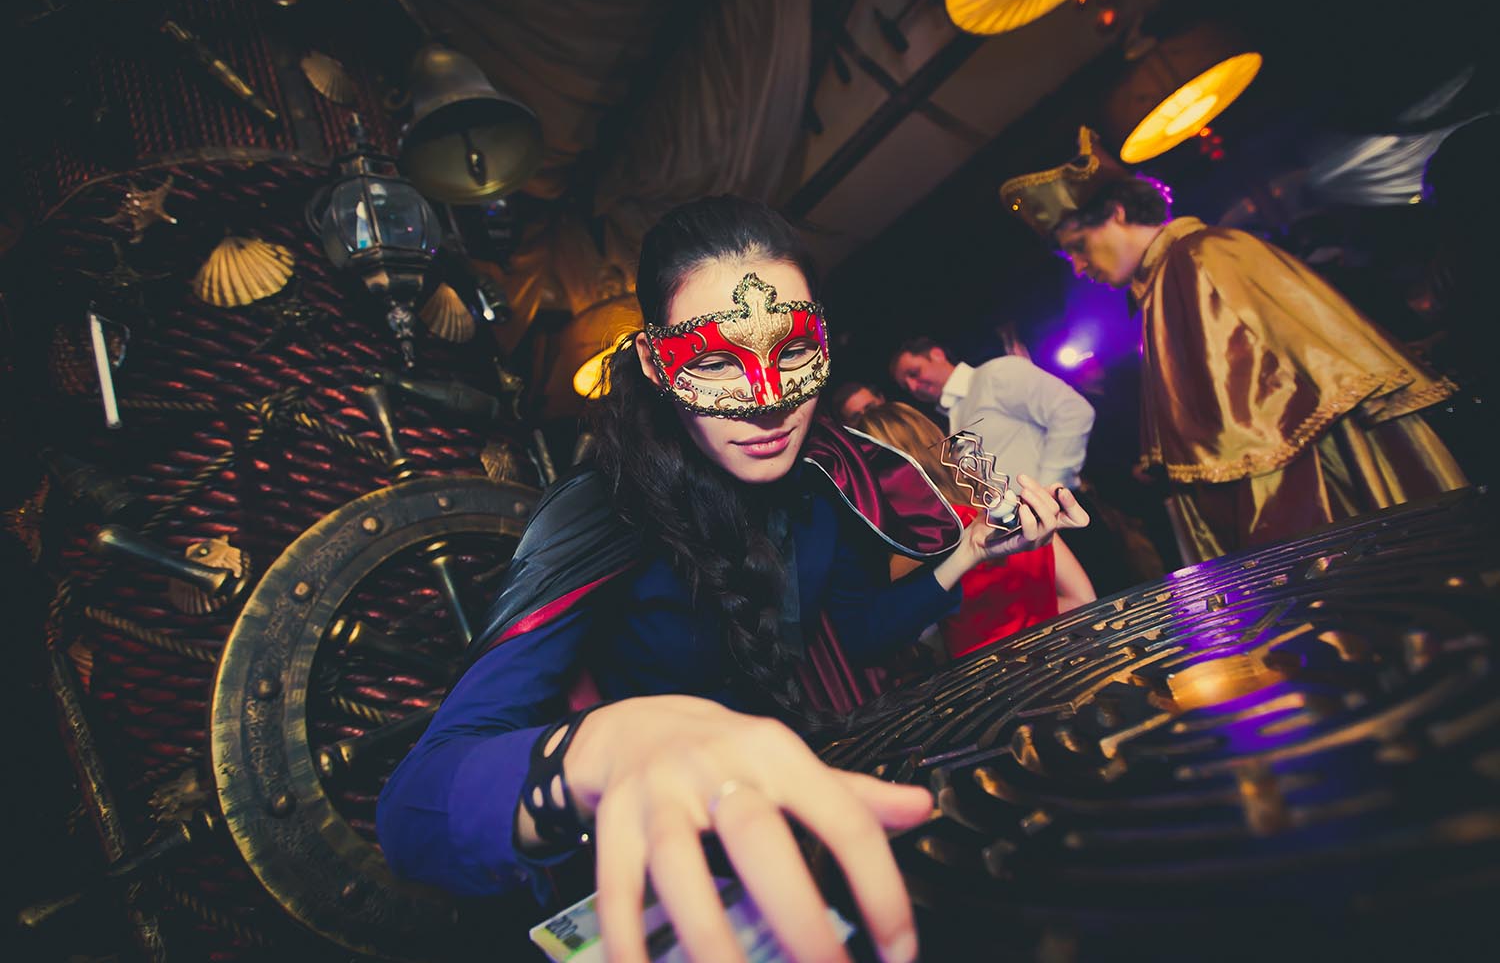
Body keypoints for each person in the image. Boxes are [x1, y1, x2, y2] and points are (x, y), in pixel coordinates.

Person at [377, 196, 1089, 963]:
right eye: (716, 362)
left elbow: (863, 634)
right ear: (656, 362)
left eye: (794, 351)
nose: (768, 401)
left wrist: (974, 548)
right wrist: (608, 748)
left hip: (804, 820)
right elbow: (413, 809)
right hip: (674, 864)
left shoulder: (830, 473)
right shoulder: (605, 507)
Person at [1000, 127, 1467, 563]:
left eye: (1078, 245)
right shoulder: (1167, 280)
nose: (1078, 266)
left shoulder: (1201, 259)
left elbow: (1262, 433)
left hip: (1325, 518)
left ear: (1116, 213)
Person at [853, 401, 1096, 658]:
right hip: (1059, 653)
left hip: (987, 672)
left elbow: (887, 625)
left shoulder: (924, 541)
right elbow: (1082, 599)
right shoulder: (1016, 512)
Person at [888, 337, 1096, 491]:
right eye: (906, 387)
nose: (913, 387)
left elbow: (1073, 411)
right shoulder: (953, 419)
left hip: (1061, 510)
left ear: (937, 354)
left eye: (914, 373)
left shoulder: (994, 374)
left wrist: (1046, 492)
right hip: (1028, 523)